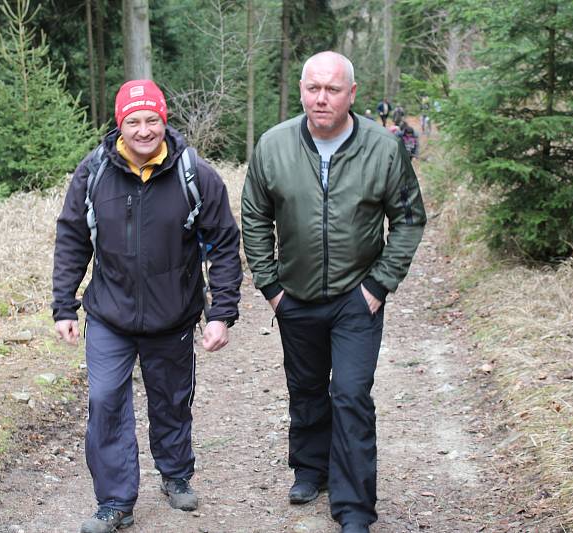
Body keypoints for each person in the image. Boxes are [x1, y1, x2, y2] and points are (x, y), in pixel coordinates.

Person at [241, 52, 426, 533]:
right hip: (294, 294)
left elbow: (408, 218)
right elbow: (255, 216)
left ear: (352, 94)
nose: (321, 98)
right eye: (313, 88)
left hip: (356, 296)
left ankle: (354, 508)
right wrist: (270, 286)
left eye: (332, 89)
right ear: (301, 90)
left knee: (349, 395)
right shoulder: (274, 145)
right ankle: (309, 469)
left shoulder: (383, 149)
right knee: (305, 389)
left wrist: (379, 284)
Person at [53, 79, 242, 533]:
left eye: (151, 120)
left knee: (172, 400)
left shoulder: (194, 173)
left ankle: (175, 474)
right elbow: (73, 238)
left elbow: (224, 244)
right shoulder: (94, 171)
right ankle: (116, 501)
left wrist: (222, 313)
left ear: (164, 120)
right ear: (120, 125)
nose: (143, 130)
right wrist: (64, 305)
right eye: (133, 121)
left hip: (173, 313)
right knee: (104, 400)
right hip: (109, 314)